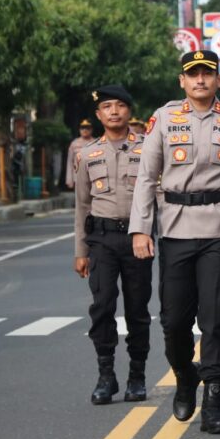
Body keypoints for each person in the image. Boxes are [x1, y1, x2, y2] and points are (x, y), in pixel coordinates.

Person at [130, 50, 220, 434]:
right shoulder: (164, 119)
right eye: (192, 74)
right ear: (182, 81)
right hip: (176, 229)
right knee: (173, 321)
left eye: (207, 74)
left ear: (219, 81)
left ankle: (214, 402)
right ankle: (185, 375)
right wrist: (140, 230)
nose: (200, 80)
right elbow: (147, 178)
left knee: (214, 321)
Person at [73, 85, 152, 405]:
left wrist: (151, 234)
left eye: (120, 105)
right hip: (101, 240)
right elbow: (81, 206)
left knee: (137, 310)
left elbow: (157, 197)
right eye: (107, 106)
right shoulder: (87, 154)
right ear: (99, 114)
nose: (115, 111)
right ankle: (106, 375)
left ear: (129, 111)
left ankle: (137, 376)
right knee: (102, 306)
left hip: (136, 239)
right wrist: (80, 251)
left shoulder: (148, 150)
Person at [66, 119, 95, 189]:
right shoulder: (74, 144)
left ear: (91, 130)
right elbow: (70, 162)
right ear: (79, 130)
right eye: (82, 128)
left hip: (93, 178)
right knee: (80, 199)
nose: (85, 130)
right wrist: (69, 179)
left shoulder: (96, 143)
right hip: (78, 177)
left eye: (87, 128)